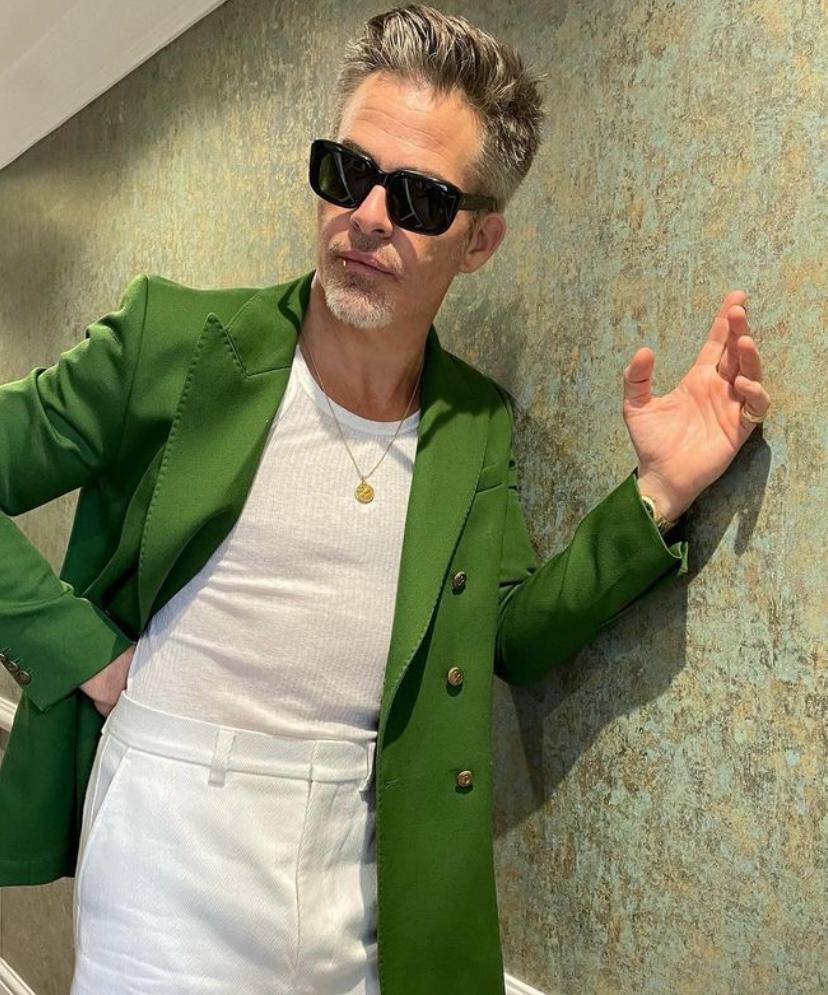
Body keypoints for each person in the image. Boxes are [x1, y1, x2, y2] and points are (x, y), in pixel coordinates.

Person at [0, 5, 769, 994]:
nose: (367, 216)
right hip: (169, 839)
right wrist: (86, 654)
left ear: (479, 241)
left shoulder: (471, 420)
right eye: (346, 171)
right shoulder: (173, 343)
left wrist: (658, 492)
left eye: (418, 198)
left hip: (368, 857)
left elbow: (509, 634)